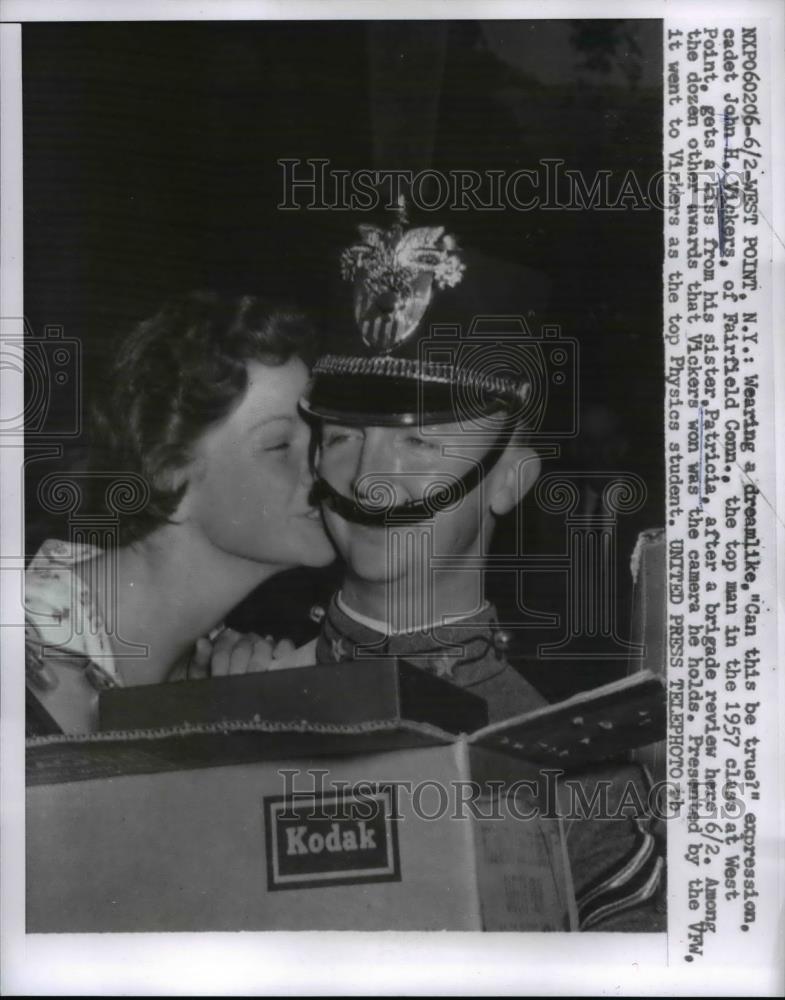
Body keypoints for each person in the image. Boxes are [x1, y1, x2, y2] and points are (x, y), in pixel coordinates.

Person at [295, 203, 665, 931]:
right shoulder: (223, 692)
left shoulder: (576, 773)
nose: (370, 480)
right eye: (342, 437)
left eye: (421, 446)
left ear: (509, 480)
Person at [25, 291, 335, 734]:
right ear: (169, 470)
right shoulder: (26, 663)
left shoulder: (208, 668)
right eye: (279, 445)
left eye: (320, 437)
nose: (321, 468)